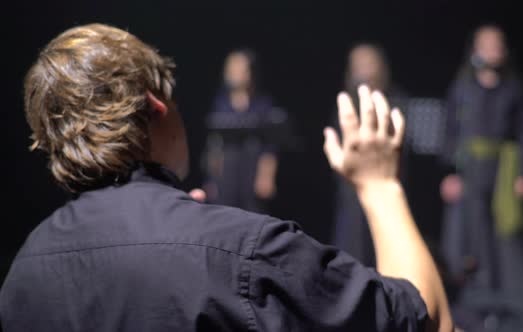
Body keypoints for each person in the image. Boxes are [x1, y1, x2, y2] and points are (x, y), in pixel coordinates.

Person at [0, 24, 453, 331]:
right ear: (158, 106)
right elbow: (421, 319)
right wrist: (380, 186)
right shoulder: (245, 252)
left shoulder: (22, 275)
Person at [439, 25, 523, 294]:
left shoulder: (514, 88)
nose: (493, 51)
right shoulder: (462, 87)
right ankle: (471, 291)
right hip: (470, 167)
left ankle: (508, 295)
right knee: (468, 230)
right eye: (487, 45)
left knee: (505, 231)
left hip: (504, 168)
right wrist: (450, 173)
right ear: (475, 50)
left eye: (497, 45)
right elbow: (450, 131)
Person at [331, 43, 407, 267]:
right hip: (353, 186)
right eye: (359, 65)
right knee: (353, 241)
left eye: (369, 63)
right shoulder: (345, 104)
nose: (364, 70)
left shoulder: (397, 100)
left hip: (388, 183)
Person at [203, 49, 277, 213]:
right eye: (233, 69)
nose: (238, 74)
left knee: (253, 214)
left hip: (251, 171)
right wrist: (211, 180)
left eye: (242, 69)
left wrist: (266, 176)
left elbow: (270, 147)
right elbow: (214, 146)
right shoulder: (220, 104)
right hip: (227, 173)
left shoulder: (262, 104)